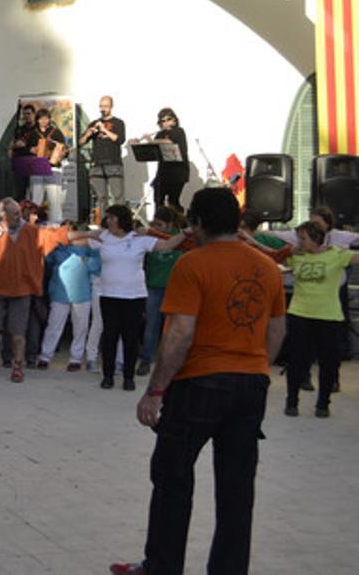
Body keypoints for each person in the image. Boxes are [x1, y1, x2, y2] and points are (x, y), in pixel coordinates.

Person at [111, 187, 285, 575]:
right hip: (250, 384)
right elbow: (276, 330)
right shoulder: (267, 267)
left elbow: (179, 334)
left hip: (199, 384)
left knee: (172, 476)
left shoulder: (192, 265)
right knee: (237, 488)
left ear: (199, 223)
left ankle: (162, 566)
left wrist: (155, 391)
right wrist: (255, 366)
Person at [0, 198, 95, 383]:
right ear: (3, 216)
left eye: (19, 213)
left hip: (21, 291)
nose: (19, 217)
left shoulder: (31, 231)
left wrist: (90, 234)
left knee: (18, 334)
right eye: (15, 214)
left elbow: (61, 236)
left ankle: (17, 367)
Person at [94, 205, 187, 390]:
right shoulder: (103, 237)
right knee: (110, 336)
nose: (109, 221)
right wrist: (60, 234)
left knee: (130, 337)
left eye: (112, 217)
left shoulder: (139, 238)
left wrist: (186, 233)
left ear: (122, 220)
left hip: (134, 296)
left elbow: (168, 245)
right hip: (109, 294)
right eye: (108, 218)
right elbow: (77, 239)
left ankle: (129, 377)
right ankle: (108, 375)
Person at [278, 221, 359, 418]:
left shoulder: (336, 255)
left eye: (303, 238)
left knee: (328, 361)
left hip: (328, 316)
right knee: (296, 359)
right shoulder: (296, 256)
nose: (299, 242)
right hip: (299, 313)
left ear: (315, 238)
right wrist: (288, 251)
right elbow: (273, 256)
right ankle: (291, 401)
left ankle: (323, 403)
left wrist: (344, 249)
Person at [38, 226, 101, 371]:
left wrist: (86, 260)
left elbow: (97, 266)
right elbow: (46, 262)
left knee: (80, 328)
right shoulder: (56, 247)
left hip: (82, 293)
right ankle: (45, 356)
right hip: (60, 292)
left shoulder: (89, 247)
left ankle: (76, 359)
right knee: (54, 326)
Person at [137, 207, 188, 377]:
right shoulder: (150, 236)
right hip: (153, 286)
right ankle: (146, 359)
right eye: (155, 224)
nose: (156, 227)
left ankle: (169, 360)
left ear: (170, 225)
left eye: (160, 224)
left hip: (175, 288)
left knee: (172, 327)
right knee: (151, 325)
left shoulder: (182, 238)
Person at [80, 95, 126, 219]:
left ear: (111, 107)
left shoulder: (118, 123)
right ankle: (104, 223)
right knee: (101, 197)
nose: (103, 109)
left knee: (118, 196)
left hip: (113, 164)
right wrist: (88, 134)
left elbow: (119, 139)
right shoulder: (94, 123)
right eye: (101, 106)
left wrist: (104, 130)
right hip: (97, 165)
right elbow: (81, 142)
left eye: (105, 106)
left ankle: (121, 223)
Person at [152, 108, 189, 211]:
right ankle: (159, 218)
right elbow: (153, 146)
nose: (166, 123)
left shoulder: (179, 131)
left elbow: (170, 142)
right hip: (163, 172)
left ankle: (178, 219)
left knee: (173, 201)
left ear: (174, 120)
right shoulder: (160, 134)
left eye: (168, 119)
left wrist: (153, 141)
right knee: (158, 199)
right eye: (163, 121)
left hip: (178, 172)